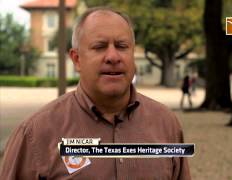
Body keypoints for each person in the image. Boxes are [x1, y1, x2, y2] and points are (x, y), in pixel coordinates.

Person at [0, 7, 190, 180]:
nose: (113, 57)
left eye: (122, 46)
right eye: (99, 47)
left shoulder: (166, 124)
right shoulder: (36, 134)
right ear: (77, 59)